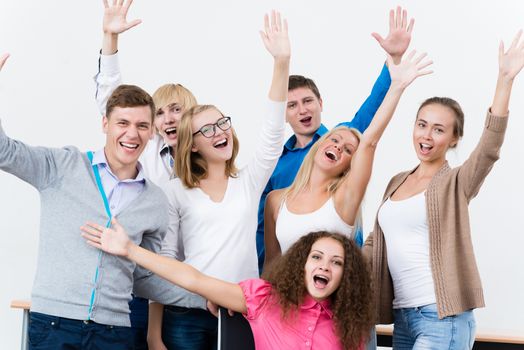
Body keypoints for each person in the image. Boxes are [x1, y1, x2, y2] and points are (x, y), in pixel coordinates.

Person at [131, 10, 289, 350]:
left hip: (239, 311)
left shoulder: (247, 182)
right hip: (186, 315)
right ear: (194, 145)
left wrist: (281, 62)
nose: (220, 132)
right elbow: (167, 261)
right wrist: (154, 334)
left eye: (222, 123)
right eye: (207, 129)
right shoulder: (174, 191)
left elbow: (273, 133)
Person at [362, 30, 524, 349]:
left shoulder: (456, 182)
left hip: (442, 317)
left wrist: (505, 80)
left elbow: (489, 148)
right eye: (422, 124)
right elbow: (375, 241)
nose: (426, 135)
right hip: (403, 318)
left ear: (453, 140)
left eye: (438, 129)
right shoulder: (396, 181)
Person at [0, 53, 168, 349]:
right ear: (105, 123)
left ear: (151, 130)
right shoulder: (62, 166)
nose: (132, 133)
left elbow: (145, 278)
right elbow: (5, 153)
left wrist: (203, 296)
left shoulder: (154, 201)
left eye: (142, 125)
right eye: (123, 123)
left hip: (114, 332)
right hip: (53, 324)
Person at [256, 6, 415, 272]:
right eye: (292, 105)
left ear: (320, 103)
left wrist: (392, 60)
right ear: (282, 113)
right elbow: (266, 230)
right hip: (291, 283)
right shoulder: (275, 164)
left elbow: (373, 107)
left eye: (308, 101)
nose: (303, 109)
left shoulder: (344, 138)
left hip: (341, 271)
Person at [81, 221, 374, 350]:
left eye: (337, 263)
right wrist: (131, 250)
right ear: (303, 265)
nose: (325, 265)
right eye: (317, 257)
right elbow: (194, 280)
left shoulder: (349, 327)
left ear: (345, 276)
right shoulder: (264, 299)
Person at [94, 1, 200, 347]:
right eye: (161, 112)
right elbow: (112, 97)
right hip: (137, 281)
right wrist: (110, 40)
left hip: (184, 290)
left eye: (177, 110)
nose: (169, 118)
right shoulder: (146, 151)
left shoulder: (207, 162)